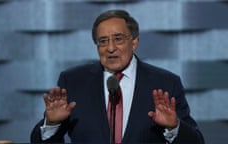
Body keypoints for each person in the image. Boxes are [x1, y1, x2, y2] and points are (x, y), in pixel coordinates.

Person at [30, 9, 204, 144]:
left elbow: (196, 142)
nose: (110, 48)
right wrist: (52, 124)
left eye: (118, 39)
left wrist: (173, 127)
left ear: (134, 41)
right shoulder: (73, 81)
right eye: (103, 41)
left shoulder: (165, 83)